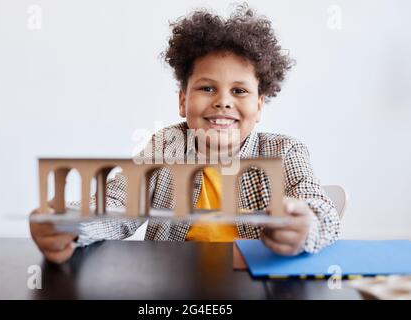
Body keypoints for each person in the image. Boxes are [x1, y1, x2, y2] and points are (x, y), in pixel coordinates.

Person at [30, 4, 341, 264]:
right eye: (207, 88)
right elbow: (118, 204)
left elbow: (320, 208)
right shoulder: (166, 147)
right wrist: (68, 224)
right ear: (182, 100)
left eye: (239, 91)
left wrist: (305, 225)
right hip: (173, 285)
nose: (223, 101)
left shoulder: (284, 152)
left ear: (259, 106)